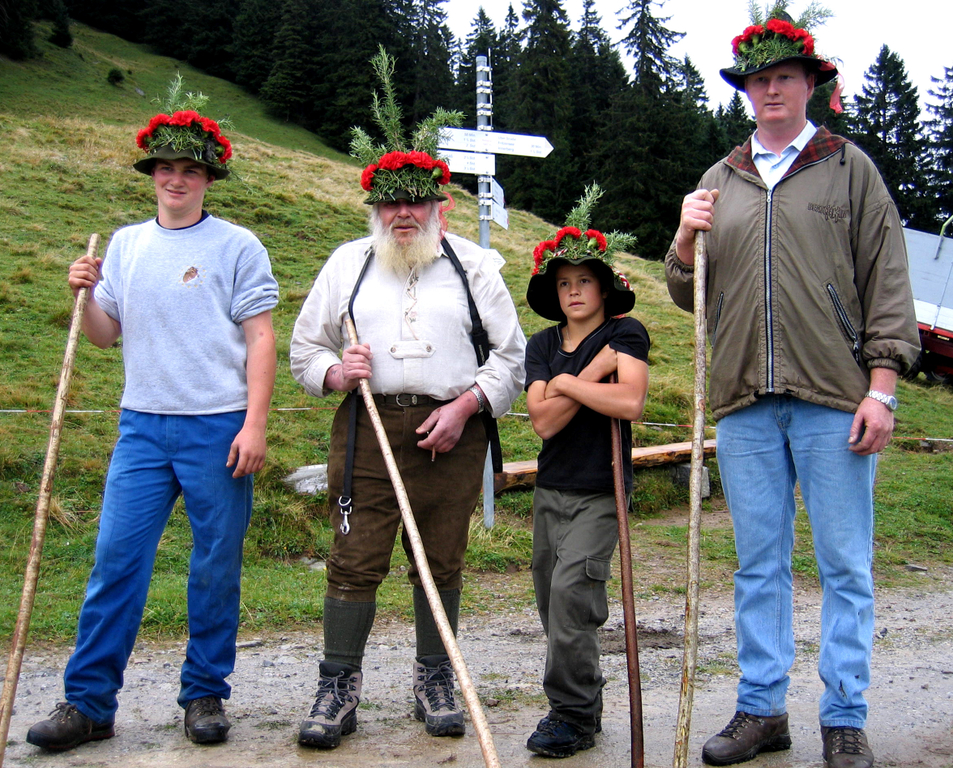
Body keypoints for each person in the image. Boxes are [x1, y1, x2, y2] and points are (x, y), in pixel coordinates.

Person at [665, 5, 919, 767]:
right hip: (742, 402)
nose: (769, 90)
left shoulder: (850, 169)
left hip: (833, 399)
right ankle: (761, 710)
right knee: (756, 566)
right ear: (745, 92)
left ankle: (843, 717)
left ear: (811, 84)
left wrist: (881, 389)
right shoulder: (719, 180)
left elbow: (887, 282)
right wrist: (683, 238)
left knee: (844, 564)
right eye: (757, 81)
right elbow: (685, 292)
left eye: (783, 77)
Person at [26, 81, 279, 751]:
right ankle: (89, 704)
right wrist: (84, 295)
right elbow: (105, 335)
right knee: (116, 561)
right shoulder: (127, 244)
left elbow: (260, 338)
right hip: (141, 426)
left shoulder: (238, 246)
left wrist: (254, 423)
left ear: (209, 178)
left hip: (218, 426)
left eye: (190, 168)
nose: (176, 178)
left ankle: (204, 694)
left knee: (215, 566)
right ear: (152, 174)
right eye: (165, 167)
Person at [289, 48, 525, 750]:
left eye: (414, 201)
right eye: (389, 202)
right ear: (375, 208)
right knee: (354, 556)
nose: (401, 213)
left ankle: (435, 679)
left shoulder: (476, 267)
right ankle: (338, 686)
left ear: (438, 206)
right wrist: (338, 372)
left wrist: (465, 407)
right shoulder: (347, 265)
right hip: (366, 430)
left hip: (454, 433)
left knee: (440, 558)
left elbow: (511, 358)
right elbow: (304, 351)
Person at [523, 186, 650, 758]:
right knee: (552, 603)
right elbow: (543, 422)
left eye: (583, 281)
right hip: (550, 490)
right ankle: (585, 701)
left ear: (604, 288)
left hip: (602, 490)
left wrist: (568, 383)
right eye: (563, 283)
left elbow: (630, 403)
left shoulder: (625, 333)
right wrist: (594, 374)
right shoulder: (541, 344)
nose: (573, 291)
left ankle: (570, 714)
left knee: (573, 593)